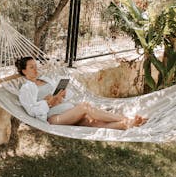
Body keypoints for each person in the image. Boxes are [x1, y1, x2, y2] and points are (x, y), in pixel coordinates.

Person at [15, 56, 147, 130]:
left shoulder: (45, 79)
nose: (35, 69)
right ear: (24, 71)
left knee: (93, 123)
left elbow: (62, 96)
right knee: (85, 107)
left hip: (69, 111)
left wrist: (62, 94)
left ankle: (126, 125)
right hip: (54, 117)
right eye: (31, 67)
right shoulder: (26, 88)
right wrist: (48, 102)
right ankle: (124, 119)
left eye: (36, 66)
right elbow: (31, 110)